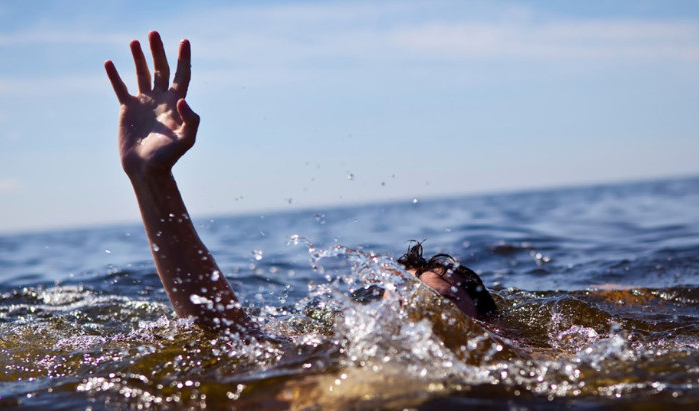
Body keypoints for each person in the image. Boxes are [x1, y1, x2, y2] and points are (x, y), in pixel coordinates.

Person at [104, 32, 497, 336]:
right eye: (403, 298)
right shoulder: (336, 358)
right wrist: (150, 179)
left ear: (490, 326)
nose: (412, 308)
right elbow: (223, 331)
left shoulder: (516, 365)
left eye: (436, 298)